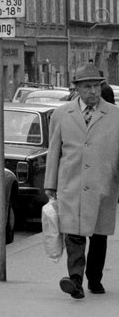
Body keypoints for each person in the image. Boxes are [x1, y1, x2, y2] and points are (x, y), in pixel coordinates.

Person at [44, 62, 119, 299]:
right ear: (76, 88)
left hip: (103, 183)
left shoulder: (115, 115)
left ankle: (94, 278)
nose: (93, 91)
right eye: (87, 87)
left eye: (96, 86)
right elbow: (54, 151)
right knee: (73, 233)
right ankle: (75, 280)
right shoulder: (61, 114)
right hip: (71, 184)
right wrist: (50, 184)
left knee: (98, 234)